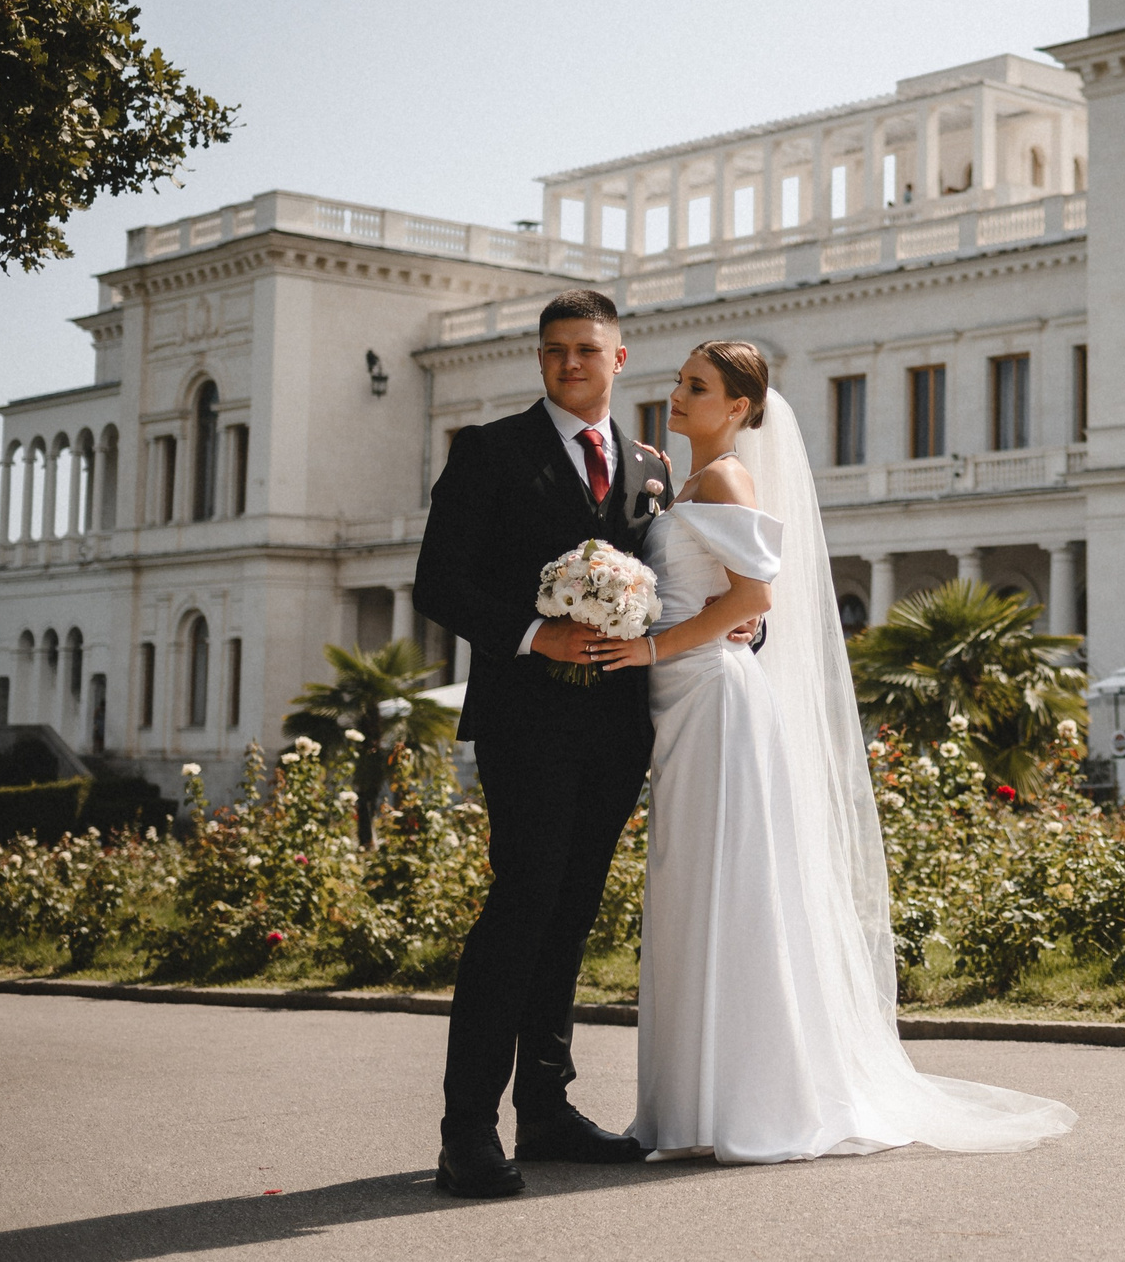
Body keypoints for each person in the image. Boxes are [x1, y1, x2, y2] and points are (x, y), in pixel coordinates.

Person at [595, 341, 1076, 1163]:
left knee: (730, 889)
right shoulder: (689, 483)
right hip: (685, 700)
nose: (676, 396)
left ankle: (749, 1101)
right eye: (678, 382)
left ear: (740, 408)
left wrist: (650, 648)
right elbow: (726, 594)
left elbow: (755, 596)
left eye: (697, 387)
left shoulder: (726, 478)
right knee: (697, 888)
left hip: (713, 699)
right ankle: (699, 1103)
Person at [412, 290, 677, 1197]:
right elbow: (437, 582)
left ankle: (549, 1110)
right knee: (522, 907)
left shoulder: (650, 464)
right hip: (525, 723)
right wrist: (534, 632)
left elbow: (672, 583)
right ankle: (465, 1132)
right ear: (540, 359)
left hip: (616, 728)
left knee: (571, 915)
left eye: (587, 349)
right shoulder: (488, 452)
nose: (571, 363)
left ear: (619, 358)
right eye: (556, 350)